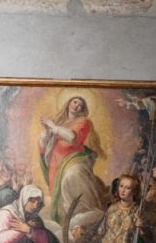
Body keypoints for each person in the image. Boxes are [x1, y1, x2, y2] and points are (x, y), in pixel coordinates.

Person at [39, 95, 110, 225]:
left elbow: (71, 137)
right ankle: (71, 221)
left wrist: (52, 126)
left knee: (73, 175)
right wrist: (46, 132)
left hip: (74, 159)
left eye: (80, 105)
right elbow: (44, 146)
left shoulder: (83, 121)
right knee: (62, 198)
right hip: (56, 164)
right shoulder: (60, 124)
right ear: (68, 103)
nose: (77, 106)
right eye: (75, 102)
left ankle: (86, 213)